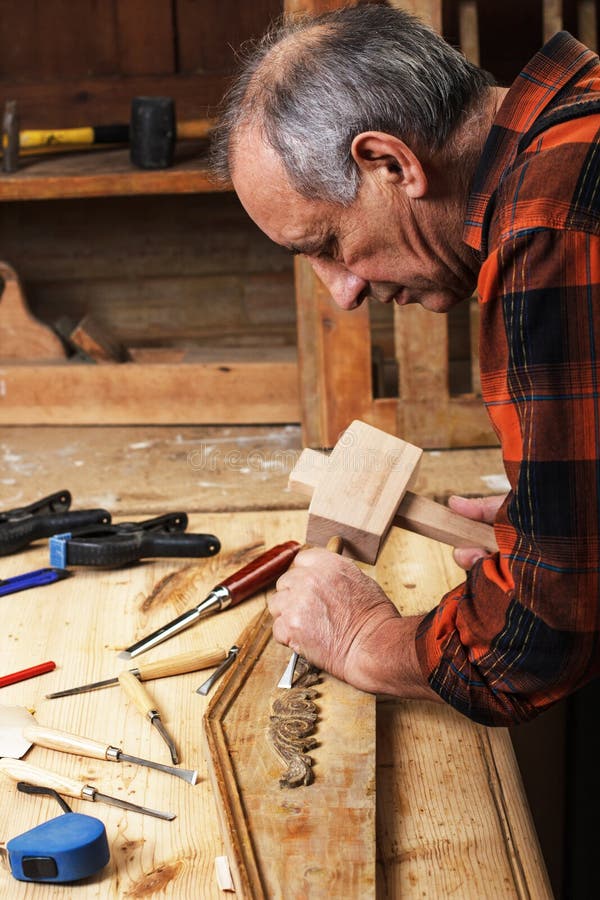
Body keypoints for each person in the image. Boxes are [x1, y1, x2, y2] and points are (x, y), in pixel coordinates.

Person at [210, 4, 600, 726]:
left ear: (389, 163)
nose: (345, 292)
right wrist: (562, 515)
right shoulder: (582, 122)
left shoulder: (549, 227)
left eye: (327, 243)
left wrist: (365, 638)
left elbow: (537, 643)